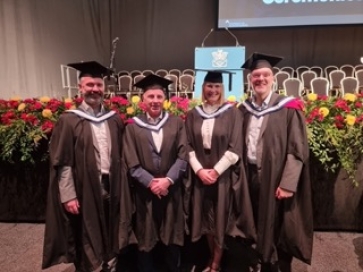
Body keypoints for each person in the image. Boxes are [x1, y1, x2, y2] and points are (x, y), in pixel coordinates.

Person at [42, 61, 130, 272]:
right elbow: (62, 162)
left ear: (104, 89)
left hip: (112, 184)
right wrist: (68, 195)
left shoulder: (114, 119)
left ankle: (109, 262)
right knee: (86, 229)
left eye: (98, 85)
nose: (94, 89)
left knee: (110, 224)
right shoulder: (70, 120)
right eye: (89, 85)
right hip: (83, 188)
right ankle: (92, 267)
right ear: (80, 88)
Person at [239, 53, 313, 272]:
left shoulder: (288, 107)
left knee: (276, 221)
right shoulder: (244, 110)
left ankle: (274, 264)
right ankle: (257, 258)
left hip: (276, 176)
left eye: (265, 75)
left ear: (273, 78)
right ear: (250, 80)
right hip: (249, 173)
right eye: (256, 76)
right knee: (253, 218)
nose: (260, 79)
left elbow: (297, 149)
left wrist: (288, 183)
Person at [185, 71, 256, 272]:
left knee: (220, 219)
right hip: (201, 176)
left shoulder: (233, 113)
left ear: (222, 89)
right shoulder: (193, 114)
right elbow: (187, 145)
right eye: (209, 86)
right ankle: (212, 256)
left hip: (222, 175)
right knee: (206, 219)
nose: (213, 90)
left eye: (217, 87)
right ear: (203, 88)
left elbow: (235, 148)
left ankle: (216, 262)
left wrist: (214, 172)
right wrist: (199, 171)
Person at [123, 74, 188, 272]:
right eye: (151, 96)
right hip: (145, 193)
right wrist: (152, 183)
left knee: (172, 236)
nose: (155, 101)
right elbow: (131, 162)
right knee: (146, 236)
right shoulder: (132, 127)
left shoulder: (176, 123)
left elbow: (183, 156)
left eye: (159, 96)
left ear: (165, 99)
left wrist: (167, 181)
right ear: (143, 100)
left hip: (171, 190)